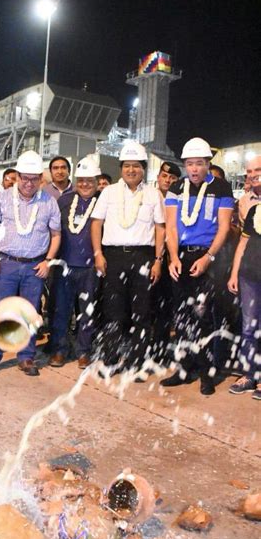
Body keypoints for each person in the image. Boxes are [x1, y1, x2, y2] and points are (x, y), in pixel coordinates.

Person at [161, 137, 234, 395]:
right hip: (181, 256)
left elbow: (224, 227)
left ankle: (205, 373)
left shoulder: (222, 188)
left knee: (202, 316)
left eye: (199, 164)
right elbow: (170, 226)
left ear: (208, 164)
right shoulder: (177, 188)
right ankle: (183, 369)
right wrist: (173, 257)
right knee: (181, 317)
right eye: (190, 164)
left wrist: (208, 258)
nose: (194, 169)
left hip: (208, 258)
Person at [0, 150, 61, 376]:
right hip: (6, 264)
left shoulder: (49, 201)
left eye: (33, 178)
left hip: (35, 266)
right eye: (24, 177)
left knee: (30, 313)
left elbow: (56, 235)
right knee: (0, 311)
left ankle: (26, 357)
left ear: (41, 179)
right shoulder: (4, 197)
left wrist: (48, 261)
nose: (28, 183)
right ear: (16, 176)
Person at [91, 142, 165, 376]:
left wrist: (158, 260)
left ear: (143, 168)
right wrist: (98, 254)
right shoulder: (109, 192)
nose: (131, 170)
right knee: (113, 311)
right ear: (121, 167)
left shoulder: (153, 194)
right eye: (126, 166)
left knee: (141, 313)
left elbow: (160, 228)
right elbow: (96, 224)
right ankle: (110, 360)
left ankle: (137, 362)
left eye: (136, 166)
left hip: (143, 256)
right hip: (113, 257)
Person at [48, 156, 100, 369]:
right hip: (64, 266)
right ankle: (60, 350)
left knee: (86, 312)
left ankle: (83, 351)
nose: (85, 184)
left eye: (90, 180)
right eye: (81, 180)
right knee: (61, 310)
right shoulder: (64, 200)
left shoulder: (102, 201)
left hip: (90, 268)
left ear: (96, 181)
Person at [227, 200, 260, 399]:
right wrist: (234, 274)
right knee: (248, 328)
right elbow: (242, 244)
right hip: (249, 277)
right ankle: (249, 374)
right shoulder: (255, 211)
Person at [151, 161, 182, 360]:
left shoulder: (181, 198)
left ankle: (162, 349)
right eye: (164, 176)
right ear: (158, 177)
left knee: (166, 305)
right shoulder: (147, 196)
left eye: (172, 178)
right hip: (150, 255)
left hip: (171, 258)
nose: (167, 180)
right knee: (147, 305)